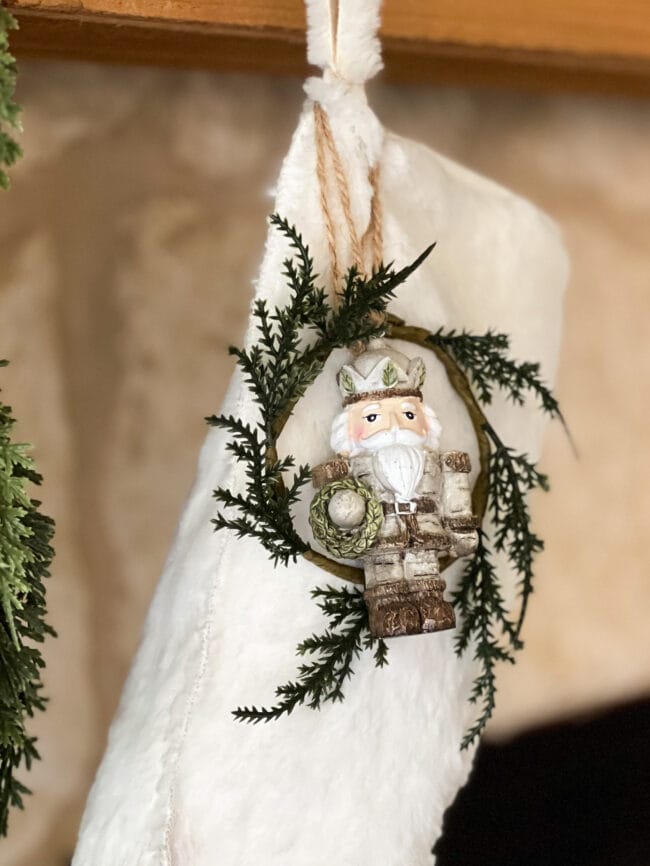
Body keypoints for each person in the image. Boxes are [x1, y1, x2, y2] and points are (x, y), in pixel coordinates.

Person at [311, 339, 478, 637]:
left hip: (425, 530)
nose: (395, 425)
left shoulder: (436, 462)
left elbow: (454, 497)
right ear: (349, 428)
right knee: (385, 572)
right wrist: (332, 481)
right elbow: (335, 498)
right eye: (372, 417)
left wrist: (460, 528)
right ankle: (388, 609)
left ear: (425, 420)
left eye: (408, 414)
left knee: (424, 569)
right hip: (381, 533)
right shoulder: (355, 465)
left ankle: (431, 603)